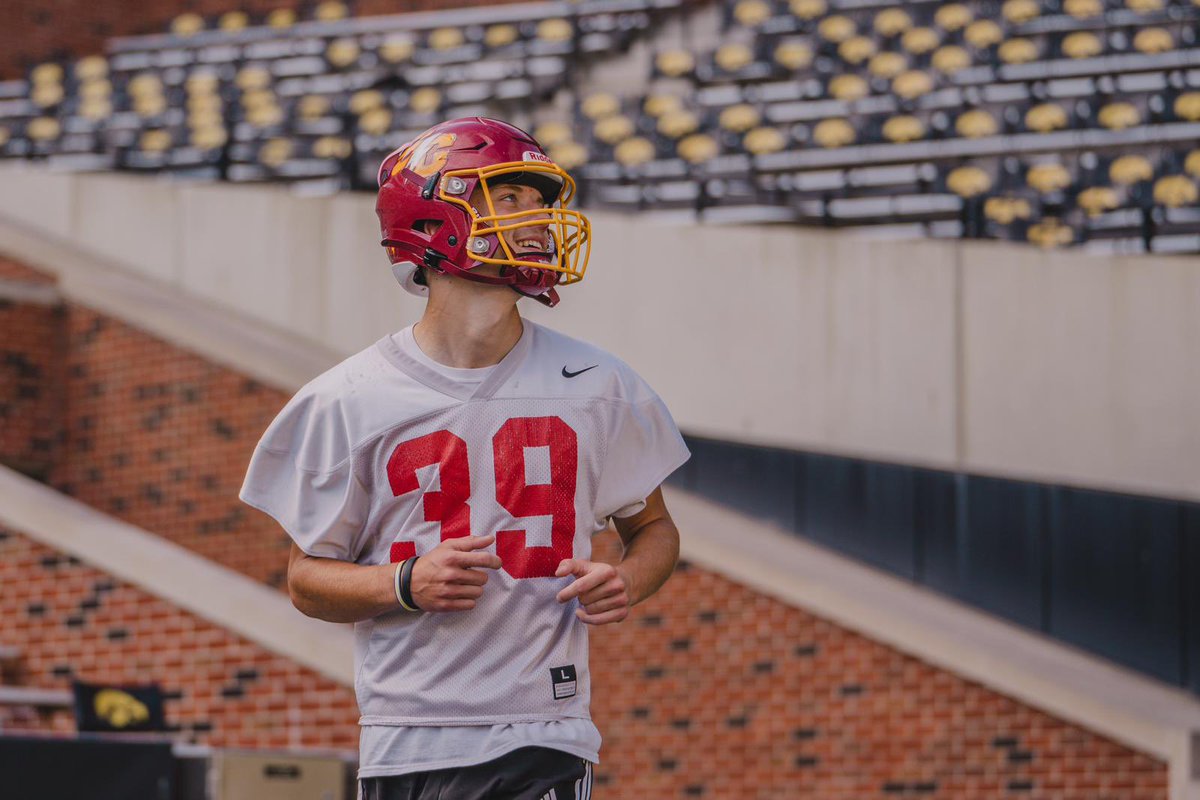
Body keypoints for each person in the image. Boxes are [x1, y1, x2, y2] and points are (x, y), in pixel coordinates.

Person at [239, 117, 690, 799]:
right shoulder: (348, 398)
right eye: (508, 198)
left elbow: (653, 530)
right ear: (431, 217)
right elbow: (306, 579)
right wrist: (403, 582)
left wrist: (629, 578)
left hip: (543, 730)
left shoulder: (599, 384)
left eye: (540, 200)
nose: (536, 217)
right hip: (403, 736)